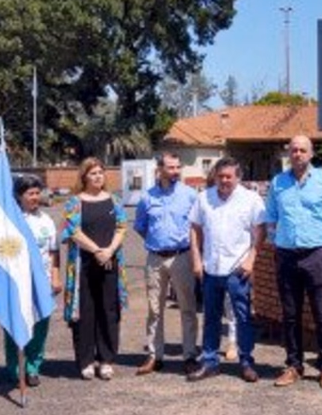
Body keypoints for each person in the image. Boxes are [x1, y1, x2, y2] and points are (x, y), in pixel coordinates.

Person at [266, 135, 322, 390]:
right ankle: (294, 365)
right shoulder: (278, 183)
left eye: (303, 150)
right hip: (286, 255)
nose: (298, 154)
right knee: (290, 314)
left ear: (311, 153)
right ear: (289, 153)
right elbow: (271, 218)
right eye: (294, 150)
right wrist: (279, 240)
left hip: (317, 254)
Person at [187, 157, 266, 382]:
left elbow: (260, 232)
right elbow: (195, 229)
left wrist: (251, 260)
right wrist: (196, 260)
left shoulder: (250, 199)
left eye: (228, 177)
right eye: (220, 176)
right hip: (211, 267)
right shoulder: (204, 198)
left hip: (237, 269)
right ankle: (210, 362)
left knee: (243, 317)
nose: (224, 181)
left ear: (238, 177)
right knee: (211, 317)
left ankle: (246, 362)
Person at [62, 157, 128, 380]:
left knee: (109, 311)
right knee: (85, 312)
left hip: (110, 263)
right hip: (84, 264)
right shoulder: (74, 202)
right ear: (84, 177)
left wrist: (109, 250)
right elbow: (73, 231)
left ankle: (106, 360)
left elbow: (121, 227)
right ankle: (86, 361)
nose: (98, 176)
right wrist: (97, 251)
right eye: (93, 173)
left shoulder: (114, 200)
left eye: (100, 172)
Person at [133, 153, 199, 375]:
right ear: (160, 169)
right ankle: (155, 356)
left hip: (182, 257)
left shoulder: (190, 195)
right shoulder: (147, 197)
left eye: (178, 167)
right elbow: (141, 226)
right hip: (155, 259)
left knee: (187, 308)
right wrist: (157, 243)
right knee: (154, 309)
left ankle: (189, 355)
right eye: (171, 167)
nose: (176, 171)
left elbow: (197, 227)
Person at [3, 175, 62, 387]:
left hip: (42, 283)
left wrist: (55, 277)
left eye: (37, 193)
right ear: (19, 196)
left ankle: (33, 367)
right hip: (17, 283)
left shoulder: (46, 220)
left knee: (40, 327)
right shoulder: (9, 221)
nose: (35, 197)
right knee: (15, 325)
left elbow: (54, 252)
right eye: (30, 193)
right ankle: (16, 368)